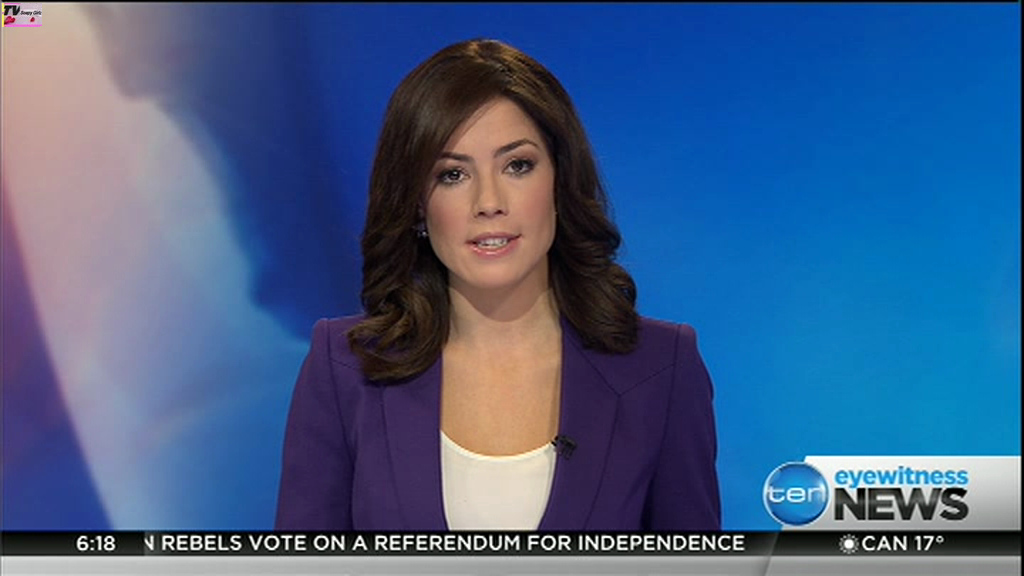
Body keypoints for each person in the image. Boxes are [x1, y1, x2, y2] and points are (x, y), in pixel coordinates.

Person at [275, 39, 721, 531]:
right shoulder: (345, 369)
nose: (489, 202)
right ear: (417, 205)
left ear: (560, 181)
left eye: (517, 165)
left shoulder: (661, 370)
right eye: (452, 175)